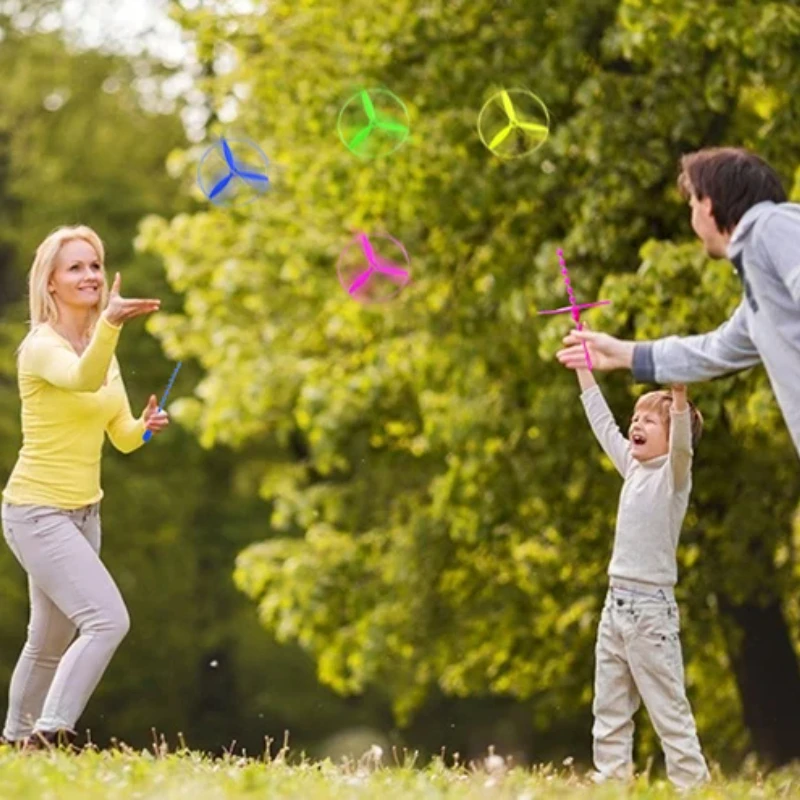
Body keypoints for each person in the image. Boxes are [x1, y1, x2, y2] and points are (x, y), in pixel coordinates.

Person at [0, 225, 168, 748]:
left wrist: (144, 427)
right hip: (36, 512)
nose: (90, 275)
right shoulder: (40, 348)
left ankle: (13, 744)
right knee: (106, 620)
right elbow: (80, 379)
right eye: (76, 267)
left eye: (95, 265)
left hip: (84, 514)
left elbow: (118, 437)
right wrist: (112, 327)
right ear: (50, 282)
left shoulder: (102, 349)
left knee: (49, 641)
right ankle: (49, 734)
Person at [557, 147, 800, 458]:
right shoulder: (758, 280)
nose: (691, 216)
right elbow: (712, 353)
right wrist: (621, 353)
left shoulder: (771, 225)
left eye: (691, 203)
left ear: (708, 203)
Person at [571, 356, 709, 789]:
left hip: (651, 614)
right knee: (609, 705)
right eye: (636, 417)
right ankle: (611, 779)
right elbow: (601, 422)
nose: (638, 424)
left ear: (671, 438)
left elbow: (683, 445)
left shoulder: (673, 477)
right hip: (616, 606)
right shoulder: (632, 468)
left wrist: (680, 397)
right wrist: (583, 368)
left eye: (651, 420)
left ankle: (693, 784)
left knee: (668, 707)